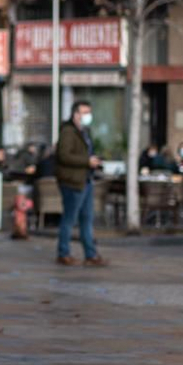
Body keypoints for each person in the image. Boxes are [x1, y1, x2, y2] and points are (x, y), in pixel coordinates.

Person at [55, 101, 105, 267]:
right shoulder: (68, 131)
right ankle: (63, 253)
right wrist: (87, 161)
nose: (87, 116)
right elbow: (64, 155)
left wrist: (94, 160)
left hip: (86, 179)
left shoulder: (84, 132)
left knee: (87, 219)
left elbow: (86, 152)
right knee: (69, 219)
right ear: (75, 114)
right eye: (84, 112)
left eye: (89, 112)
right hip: (72, 181)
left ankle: (90, 254)